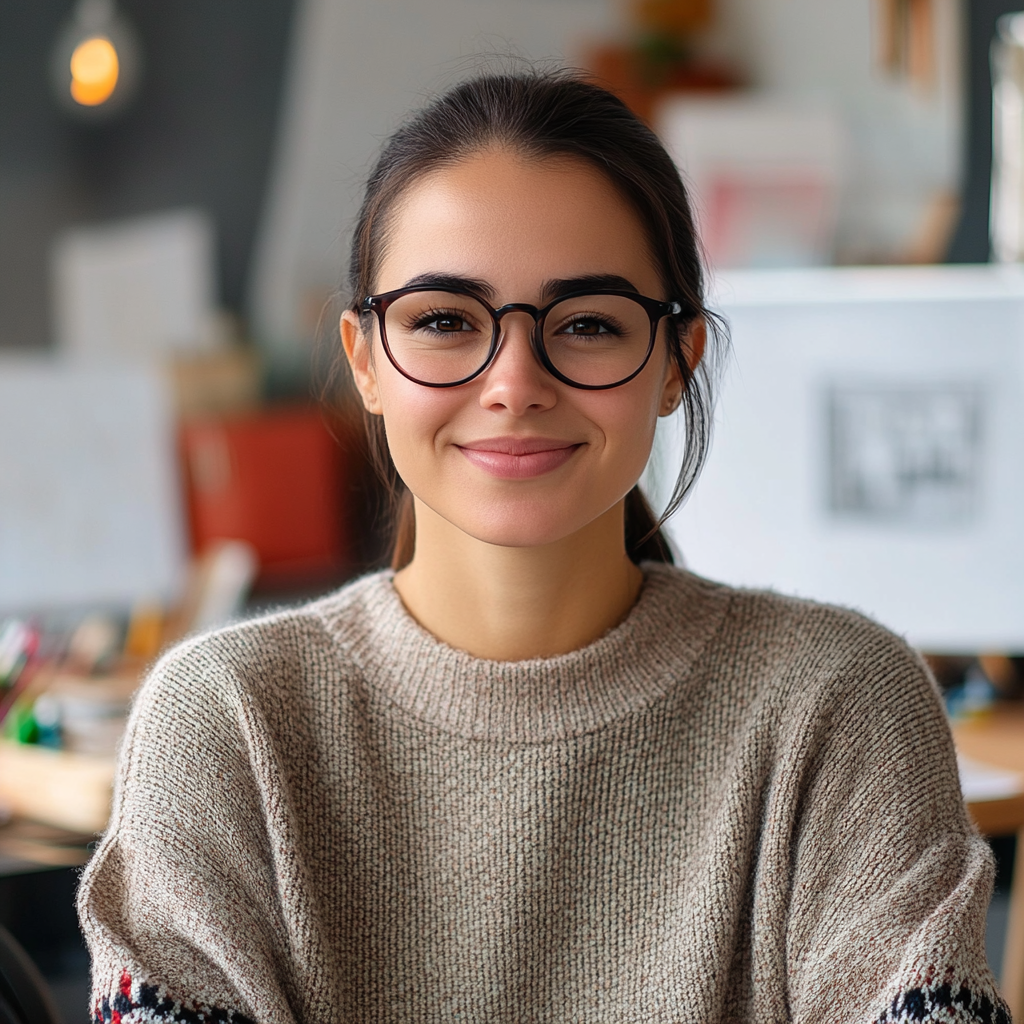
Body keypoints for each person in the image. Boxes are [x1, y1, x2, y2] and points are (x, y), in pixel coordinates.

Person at [78, 69, 1007, 1024]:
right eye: (444, 320)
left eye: (590, 324)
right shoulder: (225, 722)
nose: (514, 382)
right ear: (364, 360)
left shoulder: (842, 704)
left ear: (676, 363)